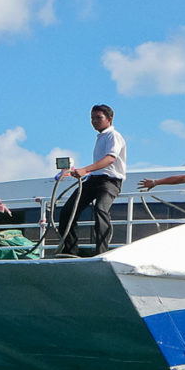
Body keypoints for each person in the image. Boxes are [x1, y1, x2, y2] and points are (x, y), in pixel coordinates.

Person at [57, 104, 127, 256]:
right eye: (92, 118)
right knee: (68, 211)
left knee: (100, 209)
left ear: (109, 119)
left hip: (110, 181)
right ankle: (70, 251)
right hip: (94, 179)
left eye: (99, 118)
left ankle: (101, 251)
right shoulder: (101, 137)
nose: (94, 121)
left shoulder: (113, 136)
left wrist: (85, 170)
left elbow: (110, 159)